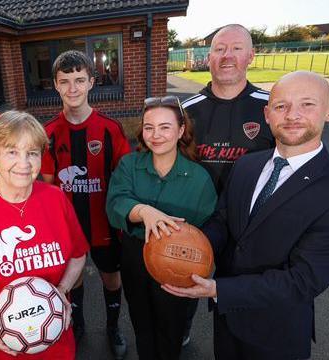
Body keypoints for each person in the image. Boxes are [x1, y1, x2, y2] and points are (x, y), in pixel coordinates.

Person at [163, 71, 329, 360]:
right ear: (267, 113)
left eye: (307, 105)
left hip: (276, 335)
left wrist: (218, 289)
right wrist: (192, 249)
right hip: (226, 321)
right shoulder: (246, 165)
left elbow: (302, 280)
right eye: (281, 106)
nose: (292, 115)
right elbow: (223, 221)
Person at [0, 111, 89, 359]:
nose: (24, 163)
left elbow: (77, 255)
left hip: (56, 345)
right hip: (2, 349)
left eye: (32, 153)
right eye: (12, 152)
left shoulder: (56, 199)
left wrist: (61, 290)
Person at [180, 24, 275, 345]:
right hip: (200, 219)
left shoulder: (271, 107)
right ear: (209, 58)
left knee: (238, 290)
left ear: (251, 55)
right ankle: (185, 325)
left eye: (236, 48)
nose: (227, 56)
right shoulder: (188, 111)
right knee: (189, 277)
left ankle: (238, 338)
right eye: (220, 49)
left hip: (251, 223)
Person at [106, 96, 217, 359]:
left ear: (180, 131)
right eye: (149, 127)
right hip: (136, 255)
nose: (156, 135)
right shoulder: (129, 166)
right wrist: (144, 211)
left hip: (179, 259)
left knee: (171, 328)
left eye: (165, 127)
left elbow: (210, 228)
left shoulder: (199, 178)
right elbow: (114, 204)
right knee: (141, 323)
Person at [41, 50, 130, 358]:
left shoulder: (110, 129)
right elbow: (47, 186)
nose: (73, 88)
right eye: (65, 81)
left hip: (104, 223)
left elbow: (124, 181)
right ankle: (76, 325)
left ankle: (113, 326)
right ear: (55, 85)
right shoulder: (49, 133)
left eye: (80, 80)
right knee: (73, 278)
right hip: (68, 228)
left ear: (92, 82)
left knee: (110, 277)